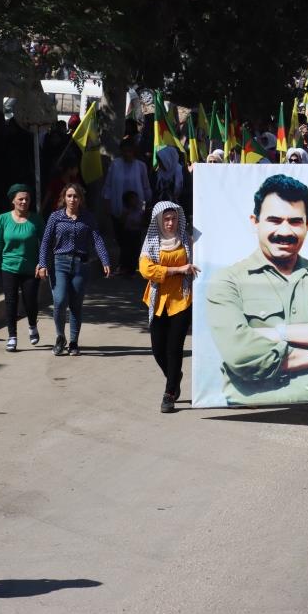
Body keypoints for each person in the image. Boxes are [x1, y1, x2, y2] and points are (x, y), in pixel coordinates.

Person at [204, 174, 308, 405]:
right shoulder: (227, 281)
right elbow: (240, 355)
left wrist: (278, 333)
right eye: (274, 220)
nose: (285, 232)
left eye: (295, 221)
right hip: (251, 415)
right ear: (255, 222)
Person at [36, 183, 111, 356]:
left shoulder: (88, 218)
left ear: (80, 199)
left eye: (75, 196)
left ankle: (74, 342)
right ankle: (60, 337)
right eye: (69, 196)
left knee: (76, 305)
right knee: (60, 300)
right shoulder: (55, 217)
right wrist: (42, 263)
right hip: (59, 263)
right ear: (64, 198)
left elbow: (97, 240)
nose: (72, 199)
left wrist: (105, 260)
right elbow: (46, 242)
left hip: (81, 265)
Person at [139, 201, 199, 413]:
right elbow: (146, 270)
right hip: (157, 301)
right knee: (158, 350)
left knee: (174, 350)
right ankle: (175, 376)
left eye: (174, 218)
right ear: (159, 221)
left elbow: (202, 257)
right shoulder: (151, 240)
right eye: (166, 219)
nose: (170, 223)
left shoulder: (187, 239)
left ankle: (169, 393)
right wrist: (178, 269)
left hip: (182, 299)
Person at [0, 184, 45, 351]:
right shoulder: (3, 219)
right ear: (13, 200)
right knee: (10, 302)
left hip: (30, 269)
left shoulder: (36, 219)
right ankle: (12, 336)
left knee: (30, 302)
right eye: (20, 199)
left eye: (27, 199)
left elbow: (46, 243)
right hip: (8, 267)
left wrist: (43, 263)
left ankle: (32, 326)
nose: (24, 201)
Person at [102, 137, 152, 275]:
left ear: (134, 152)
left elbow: (145, 185)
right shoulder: (115, 164)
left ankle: (130, 266)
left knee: (134, 238)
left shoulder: (140, 166)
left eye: (130, 151)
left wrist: (147, 204)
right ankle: (124, 264)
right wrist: (107, 203)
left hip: (136, 209)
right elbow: (109, 185)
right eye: (125, 151)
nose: (127, 154)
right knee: (121, 237)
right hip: (118, 207)